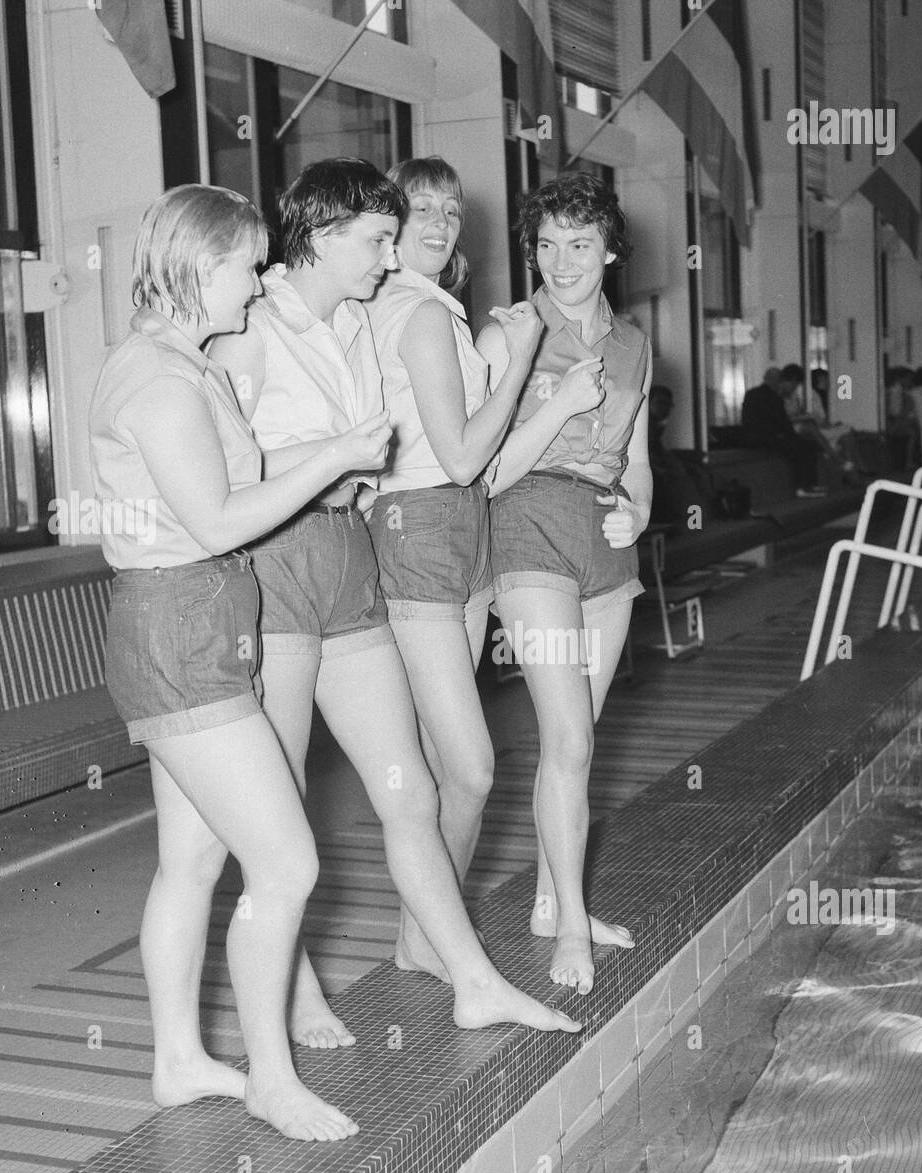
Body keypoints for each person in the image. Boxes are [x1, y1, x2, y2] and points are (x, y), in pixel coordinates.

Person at [210, 158, 580, 1036]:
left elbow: (421, 462)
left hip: (353, 559)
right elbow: (229, 471)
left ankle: (467, 974)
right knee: (284, 804)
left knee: (410, 790)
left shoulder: (349, 322)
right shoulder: (254, 327)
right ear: (327, 232)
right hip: (286, 563)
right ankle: (292, 991)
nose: (393, 253)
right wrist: (331, 467)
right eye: (382, 234)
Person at [91, 183, 377, 1141]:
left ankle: (177, 1059)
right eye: (247, 267)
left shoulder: (186, 363)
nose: (257, 288)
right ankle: (269, 1076)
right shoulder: (162, 381)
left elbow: (232, 490)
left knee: (192, 859)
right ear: (198, 266)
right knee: (287, 861)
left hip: (199, 620)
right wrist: (333, 453)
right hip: (178, 630)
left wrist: (322, 455)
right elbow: (215, 520)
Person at [362, 155, 544, 977]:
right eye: (418, 209)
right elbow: (466, 454)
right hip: (427, 525)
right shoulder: (422, 315)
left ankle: (417, 938)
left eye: (449, 210)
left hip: (453, 526)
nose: (437, 224)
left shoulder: (428, 306)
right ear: (389, 223)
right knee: (469, 767)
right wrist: (517, 361)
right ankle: (427, 937)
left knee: (445, 759)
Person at [479, 173, 649, 995]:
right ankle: (572, 927)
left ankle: (554, 901)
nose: (560, 261)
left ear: (610, 250)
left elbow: (638, 463)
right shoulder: (509, 332)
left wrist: (640, 515)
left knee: (579, 744)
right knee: (569, 738)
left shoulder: (635, 344)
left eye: (578, 244)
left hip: (604, 544)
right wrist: (556, 405)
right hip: (528, 529)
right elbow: (483, 471)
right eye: (545, 245)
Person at [740, 366, 825, 497]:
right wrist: (794, 435)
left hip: (750, 436)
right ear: (777, 381)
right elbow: (783, 424)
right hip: (767, 438)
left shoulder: (751, 393)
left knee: (799, 445)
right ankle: (805, 486)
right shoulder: (774, 398)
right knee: (806, 446)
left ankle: (807, 486)